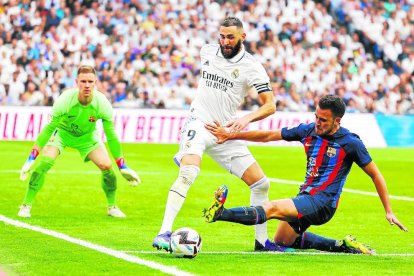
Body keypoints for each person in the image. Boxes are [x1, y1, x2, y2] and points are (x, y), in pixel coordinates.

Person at [203, 95, 407, 254]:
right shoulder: (308, 131)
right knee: (283, 240)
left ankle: (222, 213)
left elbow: (376, 175)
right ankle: (342, 245)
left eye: (323, 120)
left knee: (272, 207)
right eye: (316, 117)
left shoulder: (351, 143)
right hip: (306, 196)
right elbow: (268, 135)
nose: (318, 123)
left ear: (337, 120)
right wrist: (231, 135)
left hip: (323, 203)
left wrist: (388, 210)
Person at [152, 17, 282, 252]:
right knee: (189, 172)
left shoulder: (252, 67)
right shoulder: (207, 52)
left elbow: (270, 106)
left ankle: (261, 243)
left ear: (243, 37)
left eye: (230, 37)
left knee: (261, 184)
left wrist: (243, 120)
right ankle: (163, 232)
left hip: (225, 133)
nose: (225, 41)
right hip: (199, 123)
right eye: (221, 36)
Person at [18, 65, 141, 218]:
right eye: (83, 81)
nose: (87, 85)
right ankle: (25, 205)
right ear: (77, 82)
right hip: (62, 133)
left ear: (95, 82)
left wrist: (122, 166)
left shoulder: (102, 104)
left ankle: (112, 207)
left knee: (107, 166)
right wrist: (31, 158)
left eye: (90, 81)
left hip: (87, 136)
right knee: (44, 162)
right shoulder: (64, 100)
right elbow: (48, 130)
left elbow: (111, 136)